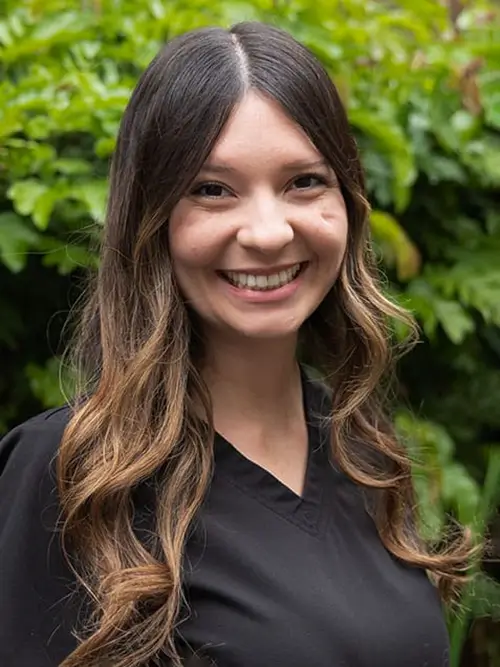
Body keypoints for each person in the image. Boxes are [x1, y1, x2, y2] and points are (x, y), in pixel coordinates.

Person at [0, 20, 470, 667]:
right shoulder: (70, 474)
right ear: (151, 218)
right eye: (212, 190)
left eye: (304, 181)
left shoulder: (365, 455)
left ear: (348, 201)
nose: (268, 231)